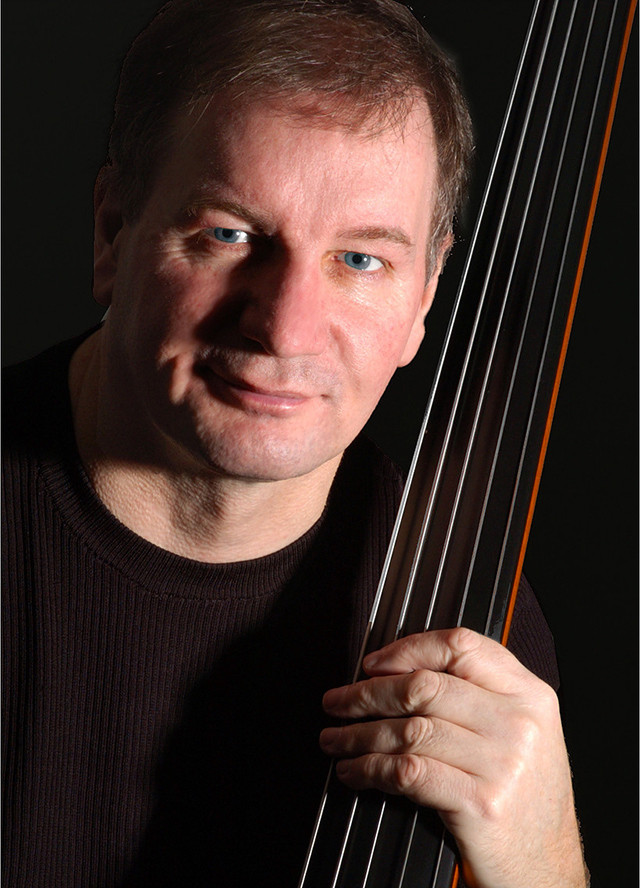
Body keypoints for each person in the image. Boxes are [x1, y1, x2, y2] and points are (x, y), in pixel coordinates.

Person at [2, 1, 588, 886]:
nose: (285, 329)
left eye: (361, 260)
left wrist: (540, 857)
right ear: (114, 230)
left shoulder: (470, 633)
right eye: (230, 235)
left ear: (425, 297)